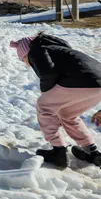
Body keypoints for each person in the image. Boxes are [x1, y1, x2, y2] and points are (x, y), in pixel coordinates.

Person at [10, 33, 101, 168]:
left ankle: (58, 151)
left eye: (23, 60)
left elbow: (49, 73)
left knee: (44, 106)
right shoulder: (60, 51)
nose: (27, 64)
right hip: (97, 86)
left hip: (79, 81)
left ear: (26, 53)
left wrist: (46, 93)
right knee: (67, 114)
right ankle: (92, 152)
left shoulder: (36, 51)